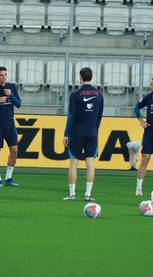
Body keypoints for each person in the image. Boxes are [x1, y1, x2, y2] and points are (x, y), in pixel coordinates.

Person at [63, 67, 104, 201]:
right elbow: (99, 116)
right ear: (91, 77)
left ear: (80, 77)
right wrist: (95, 129)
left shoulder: (75, 94)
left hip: (76, 132)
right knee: (90, 163)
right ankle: (88, 194)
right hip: (92, 132)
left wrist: (66, 133)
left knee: (74, 163)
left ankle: (72, 194)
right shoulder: (99, 94)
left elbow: (71, 116)